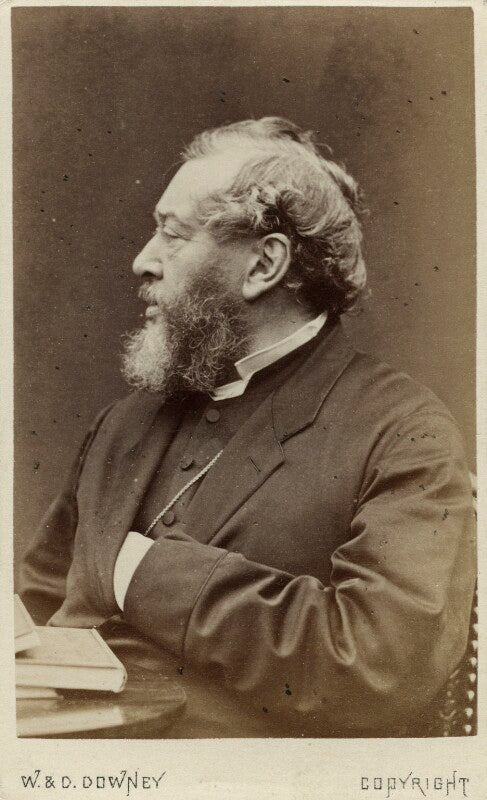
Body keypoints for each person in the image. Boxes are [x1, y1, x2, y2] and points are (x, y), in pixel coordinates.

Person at [19, 117, 476, 738]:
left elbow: (379, 663)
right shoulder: (124, 423)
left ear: (264, 263)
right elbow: (37, 612)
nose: (142, 261)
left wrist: (142, 574)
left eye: (172, 235)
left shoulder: (402, 432)